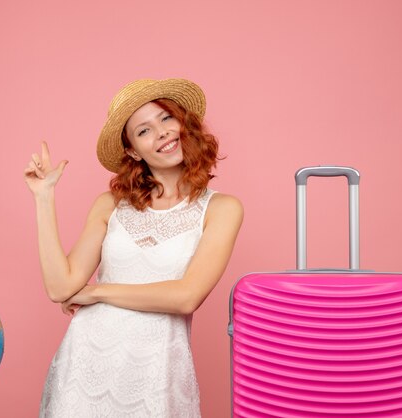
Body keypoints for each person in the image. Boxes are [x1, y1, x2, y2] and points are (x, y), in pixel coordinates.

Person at [23, 78, 243, 417]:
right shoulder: (110, 204)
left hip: (157, 371)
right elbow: (60, 287)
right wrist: (43, 198)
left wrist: (97, 293)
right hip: (86, 364)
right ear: (132, 151)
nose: (163, 133)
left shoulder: (222, 208)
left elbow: (186, 296)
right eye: (144, 131)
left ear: (184, 123)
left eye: (167, 118)